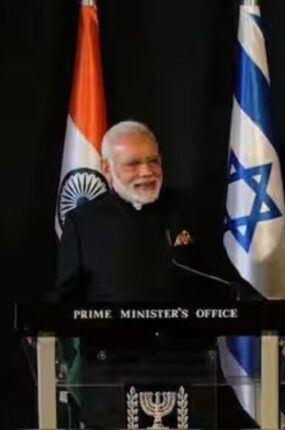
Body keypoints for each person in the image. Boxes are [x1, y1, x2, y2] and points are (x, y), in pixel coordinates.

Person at [52, 120, 251, 428]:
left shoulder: (187, 210)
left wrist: (262, 310)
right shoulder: (83, 222)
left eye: (153, 161)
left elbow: (225, 279)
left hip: (191, 372)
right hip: (114, 379)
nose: (147, 172)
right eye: (133, 164)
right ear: (107, 168)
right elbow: (65, 299)